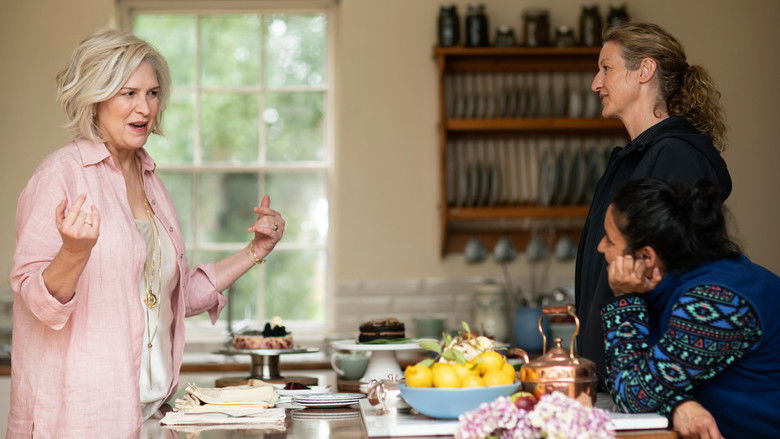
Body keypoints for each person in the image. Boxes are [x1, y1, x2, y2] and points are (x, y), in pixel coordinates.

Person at [7, 29, 285, 437]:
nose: (145, 108)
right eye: (128, 93)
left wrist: (256, 249)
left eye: (152, 94)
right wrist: (73, 252)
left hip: (153, 414)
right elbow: (37, 302)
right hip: (81, 419)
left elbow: (167, 295)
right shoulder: (61, 175)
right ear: (95, 97)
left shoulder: (150, 179)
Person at [574, 22, 733, 387]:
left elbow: (680, 276)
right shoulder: (631, 158)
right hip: (619, 365)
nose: (596, 83)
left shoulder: (676, 156)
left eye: (606, 68)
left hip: (654, 375)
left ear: (644, 70)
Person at [598, 178, 780, 439]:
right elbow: (652, 380)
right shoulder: (668, 283)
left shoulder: (714, 302)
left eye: (609, 239)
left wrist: (623, 297)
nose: (600, 247)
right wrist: (679, 405)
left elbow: (631, 395)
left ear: (647, 257)